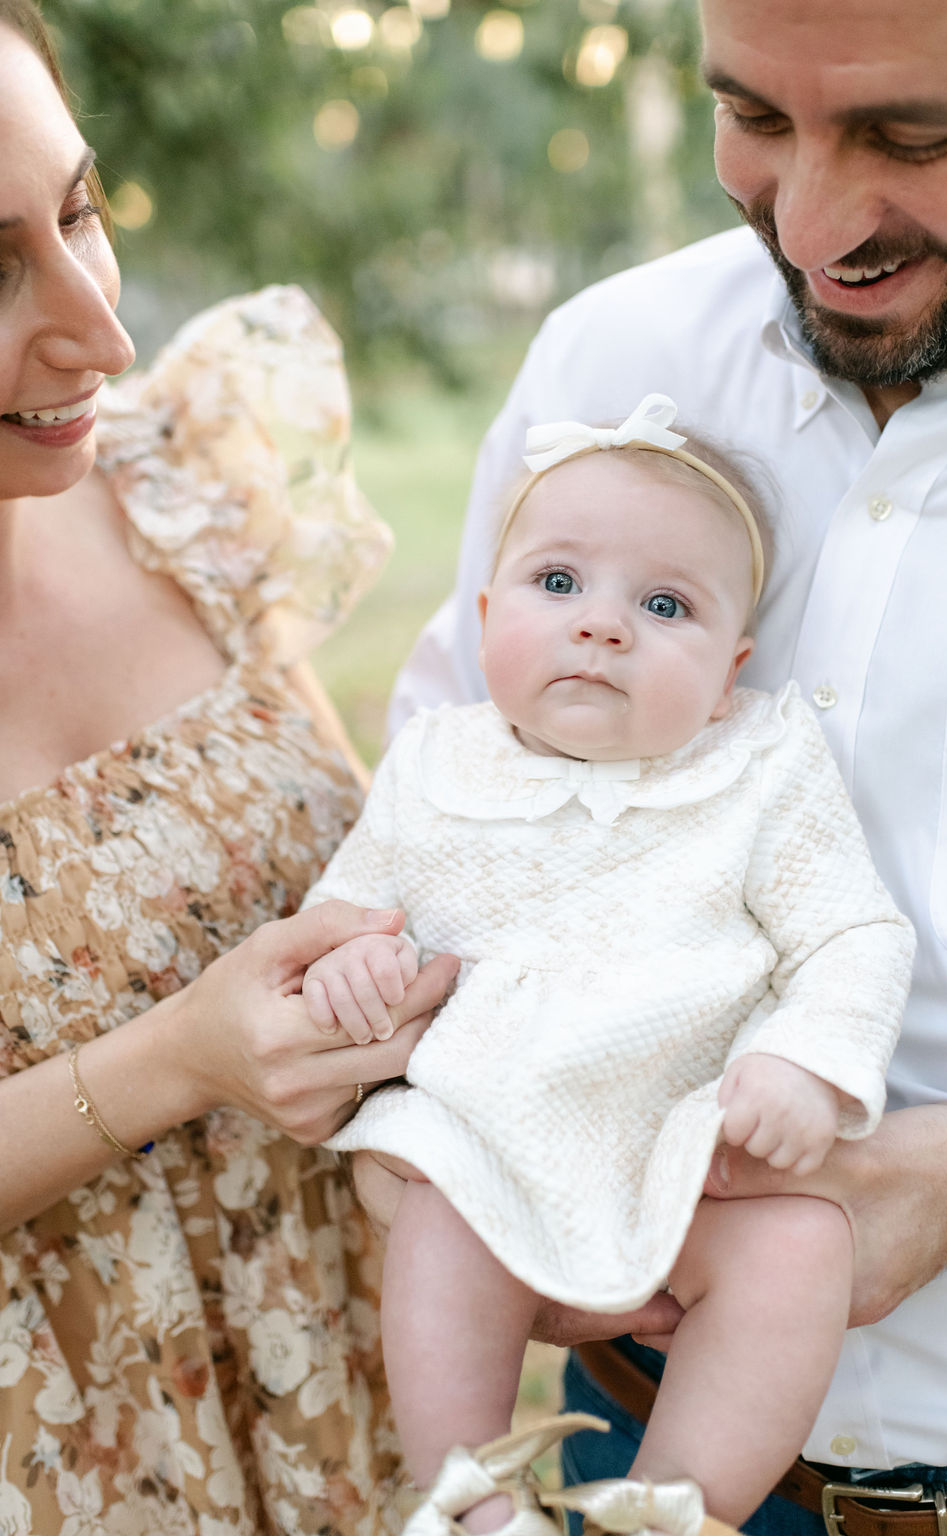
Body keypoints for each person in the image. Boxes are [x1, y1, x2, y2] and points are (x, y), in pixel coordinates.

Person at [389, 0, 947, 1531]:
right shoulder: (615, 360)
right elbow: (459, 770)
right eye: (752, 116)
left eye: (912, 138)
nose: (808, 224)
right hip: (628, 1428)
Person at [0, 5, 461, 1532]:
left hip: (367, 1380)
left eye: (79, 213)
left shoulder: (175, 472)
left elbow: (371, 876)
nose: (100, 333)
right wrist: (179, 1062)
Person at [299, 396, 914, 1533]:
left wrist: (803, 1061)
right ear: (485, 618)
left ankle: (674, 1504)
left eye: (664, 604)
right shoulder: (439, 762)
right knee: (437, 1209)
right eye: (557, 584)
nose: (603, 627)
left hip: (691, 1152)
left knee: (798, 1243)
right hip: (487, 1135)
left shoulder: (759, 769)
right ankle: (472, 1497)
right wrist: (346, 966)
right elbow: (347, 906)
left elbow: (851, 935)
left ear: (730, 670)